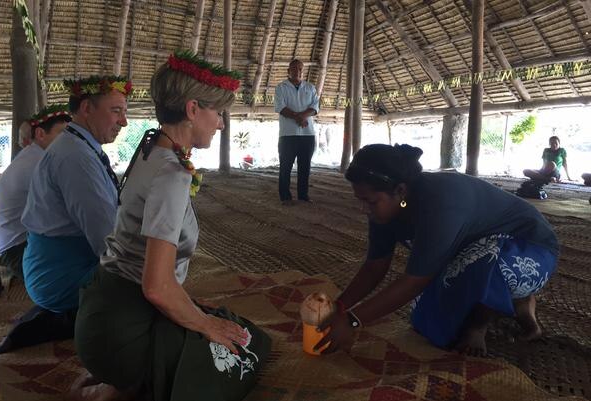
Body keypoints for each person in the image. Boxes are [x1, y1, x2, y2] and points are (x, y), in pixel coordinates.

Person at [72, 51, 271, 401]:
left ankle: (122, 380)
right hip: (122, 333)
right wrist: (207, 326)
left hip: (102, 313)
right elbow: (157, 288)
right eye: (218, 113)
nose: (222, 124)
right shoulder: (172, 174)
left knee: (226, 325)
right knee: (244, 349)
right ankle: (125, 381)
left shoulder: (150, 146)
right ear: (193, 110)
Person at [315, 144, 559, 357]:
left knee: (483, 258)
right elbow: (375, 266)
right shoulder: (384, 208)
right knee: (427, 321)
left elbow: (414, 281)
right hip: (473, 250)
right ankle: (513, 301)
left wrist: (352, 322)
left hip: (531, 250)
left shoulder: (439, 202)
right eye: (360, 200)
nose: (363, 209)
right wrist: (340, 307)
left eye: (369, 201)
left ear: (400, 191)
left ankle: (482, 322)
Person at [0, 76, 131, 355]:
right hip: (59, 275)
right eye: (116, 111)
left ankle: (66, 313)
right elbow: (105, 241)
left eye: (124, 112)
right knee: (149, 287)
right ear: (86, 108)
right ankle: (66, 318)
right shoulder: (75, 157)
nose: (124, 121)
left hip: (52, 266)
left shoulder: (80, 147)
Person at [0, 104, 71, 279]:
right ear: (41, 134)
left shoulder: (33, 156)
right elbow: (65, 207)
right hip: (17, 251)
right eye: (62, 134)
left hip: (17, 245)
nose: (68, 140)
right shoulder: (39, 162)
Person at [274, 59, 319, 204]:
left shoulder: (310, 87)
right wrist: (299, 117)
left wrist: (302, 116)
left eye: (300, 69)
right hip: (287, 134)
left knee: (305, 166)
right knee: (285, 166)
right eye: (294, 69)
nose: (297, 71)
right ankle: (285, 197)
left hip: (308, 134)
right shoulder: (281, 87)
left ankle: (303, 195)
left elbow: (315, 107)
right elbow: (281, 107)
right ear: (288, 70)